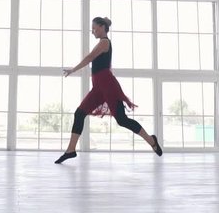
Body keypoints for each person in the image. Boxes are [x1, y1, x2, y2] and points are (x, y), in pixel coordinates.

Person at [55, 16, 162, 164]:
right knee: (79, 113)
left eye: (94, 28)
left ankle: (151, 140)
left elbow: (90, 57)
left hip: (108, 85)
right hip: (98, 87)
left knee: (122, 120)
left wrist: (73, 69)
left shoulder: (105, 42)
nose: (92, 31)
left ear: (102, 27)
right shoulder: (101, 42)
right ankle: (71, 150)